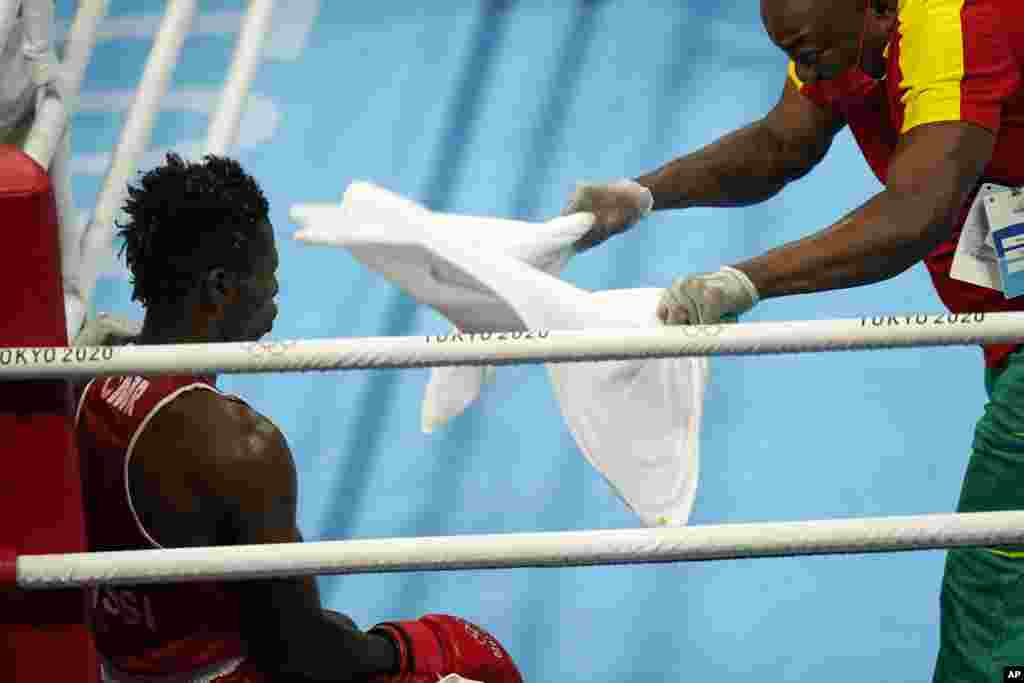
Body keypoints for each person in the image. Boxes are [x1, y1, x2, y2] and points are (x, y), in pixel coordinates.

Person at [564, 0, 1024, 680]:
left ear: (875, 8)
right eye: (791, 53)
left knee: (991, 574)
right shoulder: (847, 38)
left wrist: (747, 280)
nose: (803, 68)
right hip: (1009, 338)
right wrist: (643, 193)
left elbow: (913, 214)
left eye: (808, 50)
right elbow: (783, 142)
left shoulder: (955, 19)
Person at [75, 153, 523, 683]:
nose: (276, 289)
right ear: (220, 287)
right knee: (473, 667)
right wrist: (410, 649)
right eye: (269, 270)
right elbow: (302, 656)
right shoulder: (238, 446)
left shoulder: (84, 377)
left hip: (125, 665)